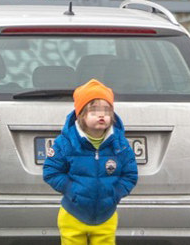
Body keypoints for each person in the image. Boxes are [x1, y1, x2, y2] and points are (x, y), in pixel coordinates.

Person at [43, 79, 138, 245]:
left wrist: (115, 194)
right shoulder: (66, 143)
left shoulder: (120, 145)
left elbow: (130, 174)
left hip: (106, 216)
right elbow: (51, 171)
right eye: (94, 111)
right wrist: (71, 190)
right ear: (81, 115)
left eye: (107, 111)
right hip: (72, 214)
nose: (101, 116)